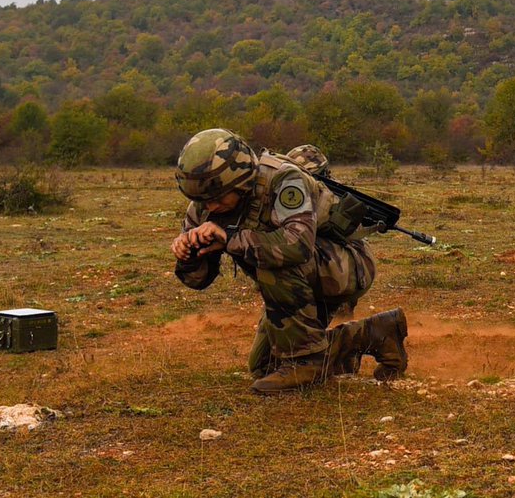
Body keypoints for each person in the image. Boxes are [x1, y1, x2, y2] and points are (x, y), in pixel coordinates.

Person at [171, 128, 408, 394]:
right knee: (266, 367)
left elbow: (296, 247)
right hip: (301, 277)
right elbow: (197, 281)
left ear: (242, 181)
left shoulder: (283, 180)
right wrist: (190, 255)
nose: (210, 208)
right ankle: (376, 333)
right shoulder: (205, 204)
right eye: (202, 201)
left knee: (275, 262)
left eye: (217, 199)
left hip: (345, 265)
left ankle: (306, 360)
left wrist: (229, 238)